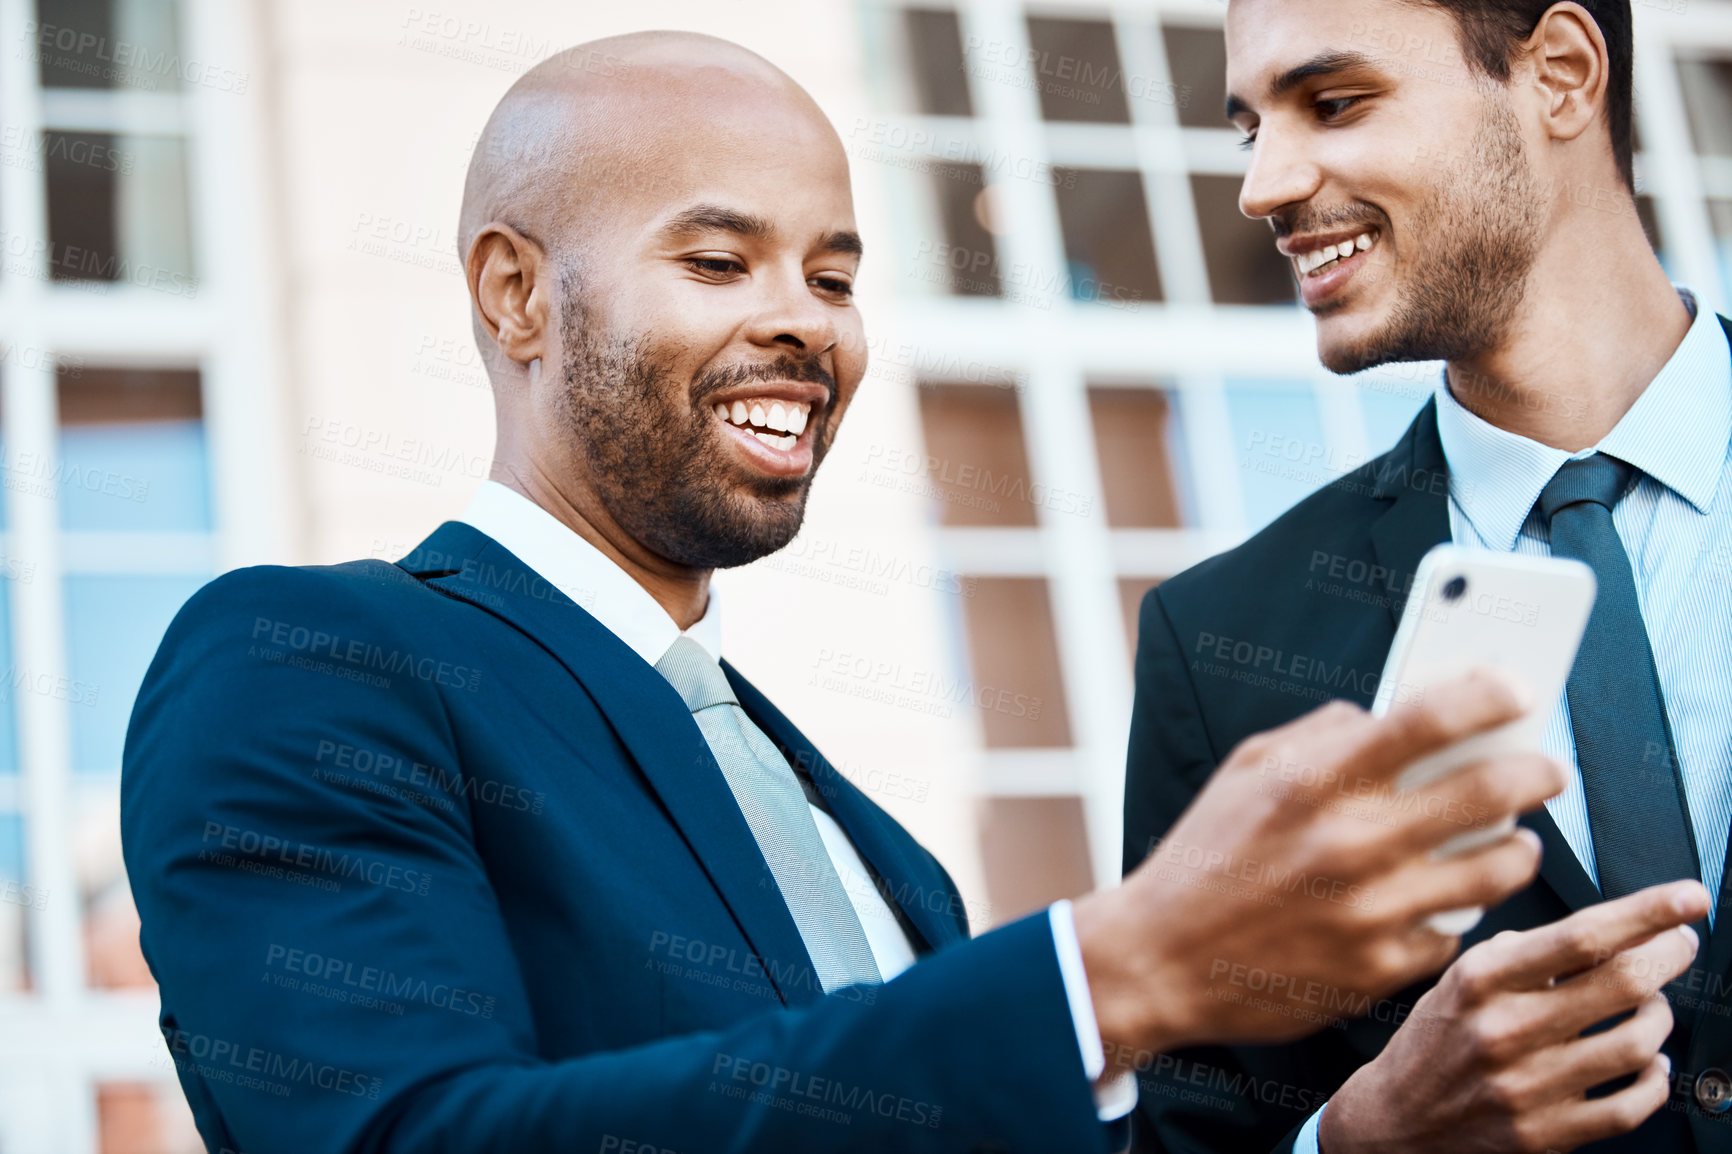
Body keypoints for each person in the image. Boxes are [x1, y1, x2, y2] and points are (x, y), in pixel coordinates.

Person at [125, 30, 1572, 1154]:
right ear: (515, 294)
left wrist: (1362, 1133)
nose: (800, 324)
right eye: (715, 257)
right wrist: (1115, 971)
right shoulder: (306, 662)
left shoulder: (876, 855)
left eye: (832, 276)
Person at [1124, 0, 1728, 1150]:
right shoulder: (1218, 647)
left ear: (1557, 73)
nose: (1264, 186)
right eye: (1251, 129)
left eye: (1334, 102)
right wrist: (1358, 1137)